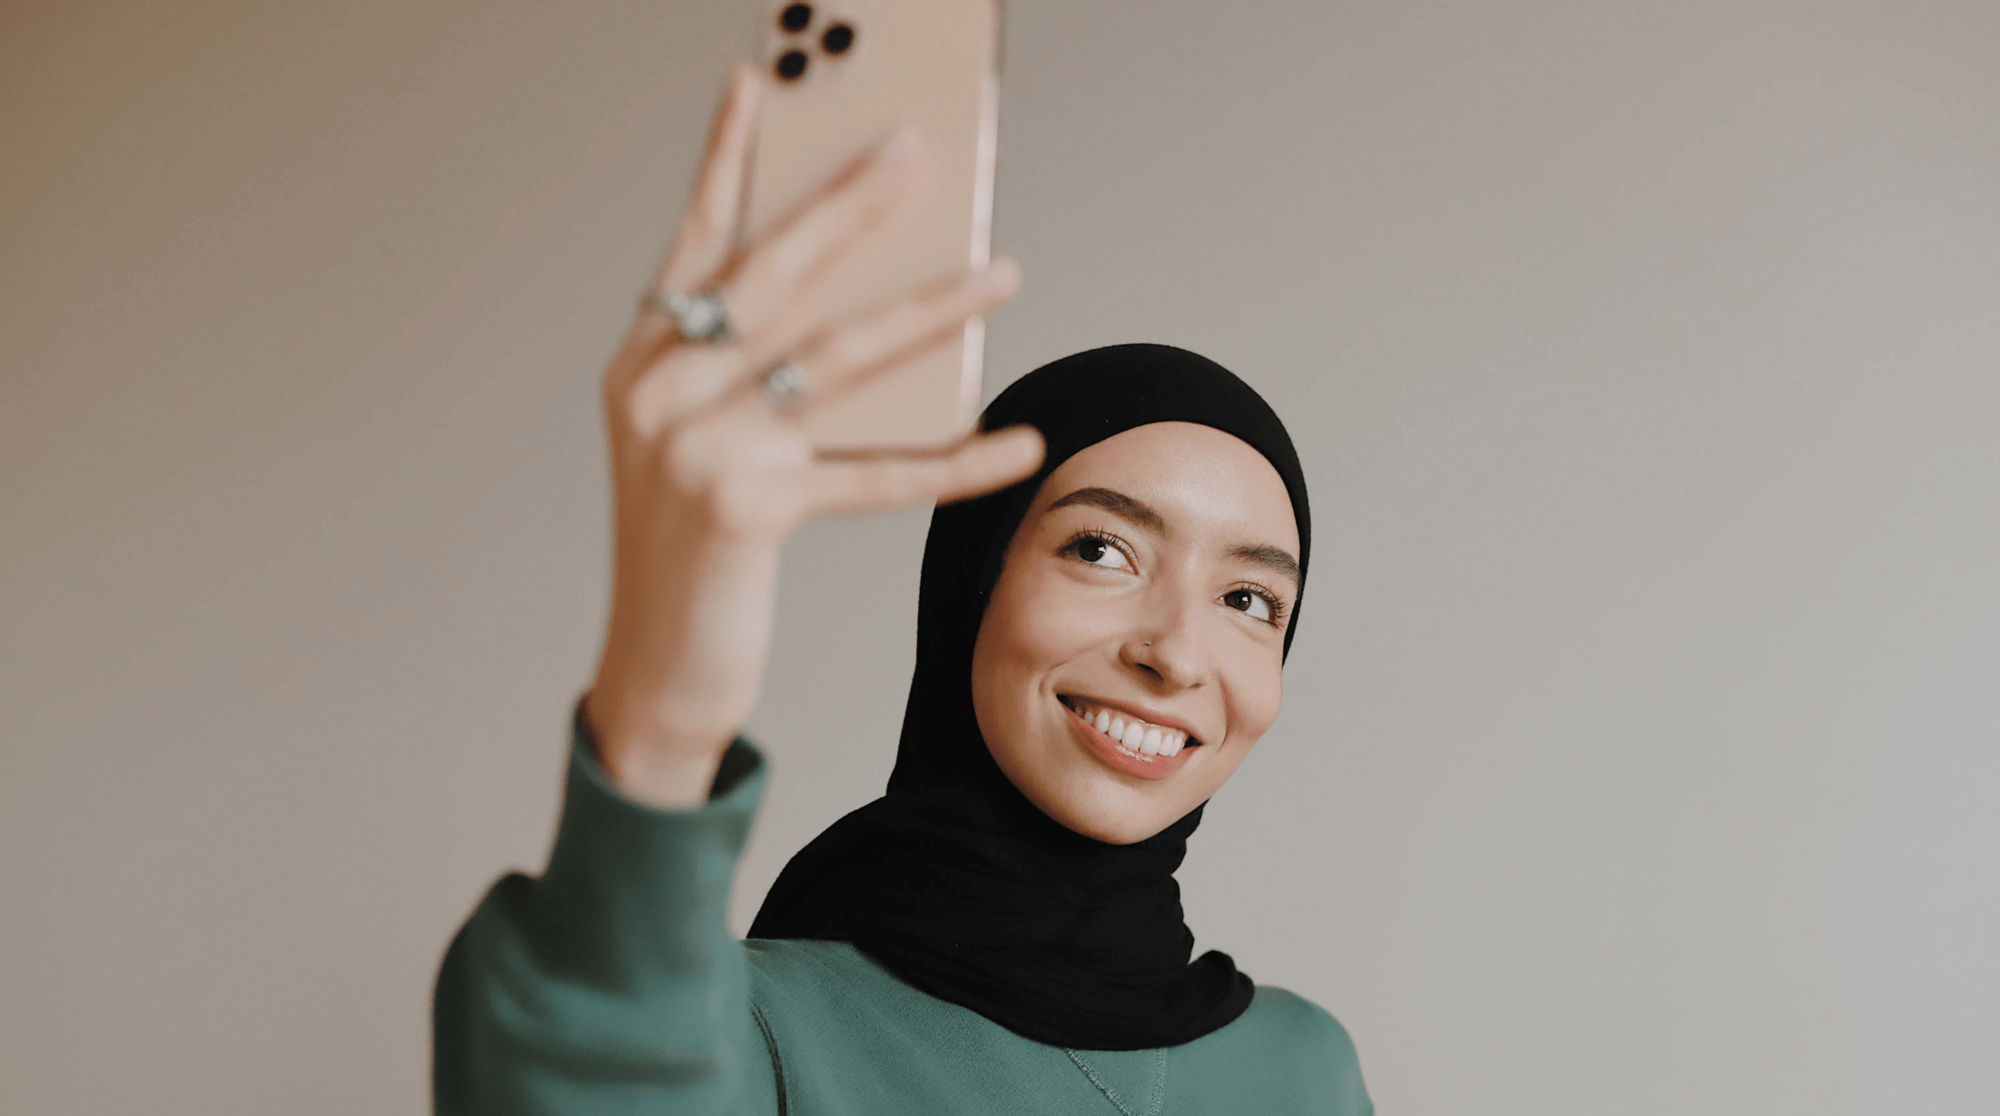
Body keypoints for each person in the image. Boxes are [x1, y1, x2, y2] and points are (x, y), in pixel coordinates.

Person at [433, 65, 1372, 1115]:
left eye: (1249, 600)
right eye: (1102, 550)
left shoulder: (1301, 1073)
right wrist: (668, 699)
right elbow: (584, 1065)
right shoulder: (748, 1034)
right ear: (971, 584)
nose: (1179, 653)